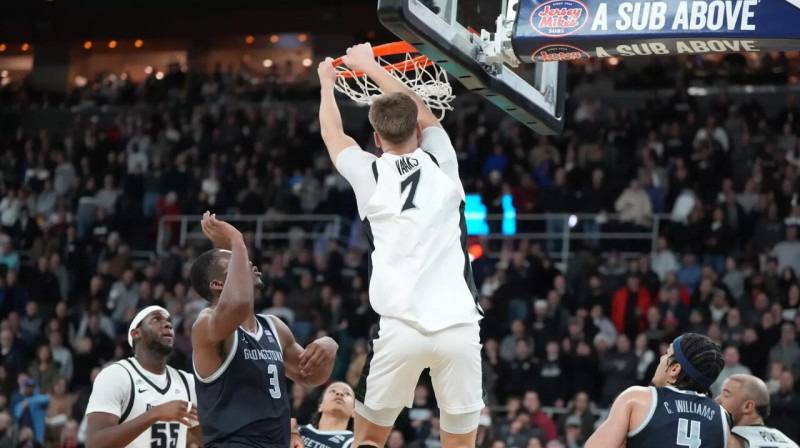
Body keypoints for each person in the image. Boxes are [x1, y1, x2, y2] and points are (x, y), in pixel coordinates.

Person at [317, 43, 484, 448]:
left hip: (400, 329)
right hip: (459, 328)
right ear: (420, 130)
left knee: (369, 442)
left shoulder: (368, 173)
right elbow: (419, 109)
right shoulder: (443, 163)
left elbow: (332, 133)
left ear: (375, 138)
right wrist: (372, 68)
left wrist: (327, 83)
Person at [190, 212, 338, 448]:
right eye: (236, 261)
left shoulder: (274, 326)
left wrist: (330, 346)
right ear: (218, 284)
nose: (248, 262)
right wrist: (236, 240)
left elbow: (310, 376)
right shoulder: (205, 325)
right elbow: (237, 305)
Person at [585, 333, 732, 448]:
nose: (661, 358)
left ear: (674, 369)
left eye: (667, 354)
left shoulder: (637, 399)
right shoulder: (723, 417)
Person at [84, 306, 200, 448]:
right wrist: (155, 414)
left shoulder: (187, 383)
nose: (168, 324)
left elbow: (211, 439)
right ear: (135, 333)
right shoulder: (116, 375)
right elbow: (94, 444)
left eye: (169, 321)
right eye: (156, 319)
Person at [715, 374, 799, 448]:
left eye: (726, 395)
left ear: (747, 406)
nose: (717, 400)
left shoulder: (726, 442)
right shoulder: (790, 443)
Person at [291, 382, 355, 448]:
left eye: (347, 393)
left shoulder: (354, 444)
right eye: (332, 391)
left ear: (354, 412)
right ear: (320, 406)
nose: (339, 393)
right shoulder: (296, 431)